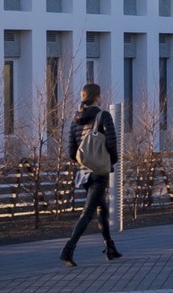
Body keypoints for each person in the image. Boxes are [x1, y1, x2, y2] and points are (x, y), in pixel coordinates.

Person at [60, 83, 122, 267]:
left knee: (101, 207)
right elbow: (112, 143)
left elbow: (71, 151)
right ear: (97, 97)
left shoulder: (74, 119)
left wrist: (84, 161)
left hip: (83, 172)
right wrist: (110, 162)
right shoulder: (103, 116)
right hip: (98, 172)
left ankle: (110, 247)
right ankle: (68, 249)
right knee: (88, 212)